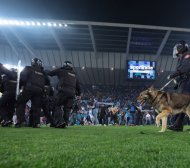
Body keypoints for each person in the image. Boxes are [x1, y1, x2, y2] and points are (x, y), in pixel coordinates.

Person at [44, 61, 81, 128]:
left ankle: (60, 121)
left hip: (64, 90)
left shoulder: (62, 70)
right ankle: (65, 124)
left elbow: (51, 73)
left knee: (56, 104)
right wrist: (79, 94)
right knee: (67, 109)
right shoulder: (75, 74)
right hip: (72, 93)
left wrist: (43, 71)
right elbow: (78, 85)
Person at [16, 58, 48, 128]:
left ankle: (21, 121)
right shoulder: (42, 72)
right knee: (37, 107)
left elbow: (22, 77)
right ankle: (37, 123)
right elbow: (47, 81)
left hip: (29, 88)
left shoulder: (28, 68)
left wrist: (20, 86)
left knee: (20, 102)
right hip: (39, 90)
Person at [167, 40, 190, 132]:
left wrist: (174, 74)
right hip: (184, 82)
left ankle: (178, 125)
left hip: (187, 82)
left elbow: (185, 68)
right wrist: (178, 83)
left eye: (176, 49)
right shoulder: (182, 57)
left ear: (181, 48)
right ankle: (177, 125)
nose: (175, 51)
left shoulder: (187, 55)